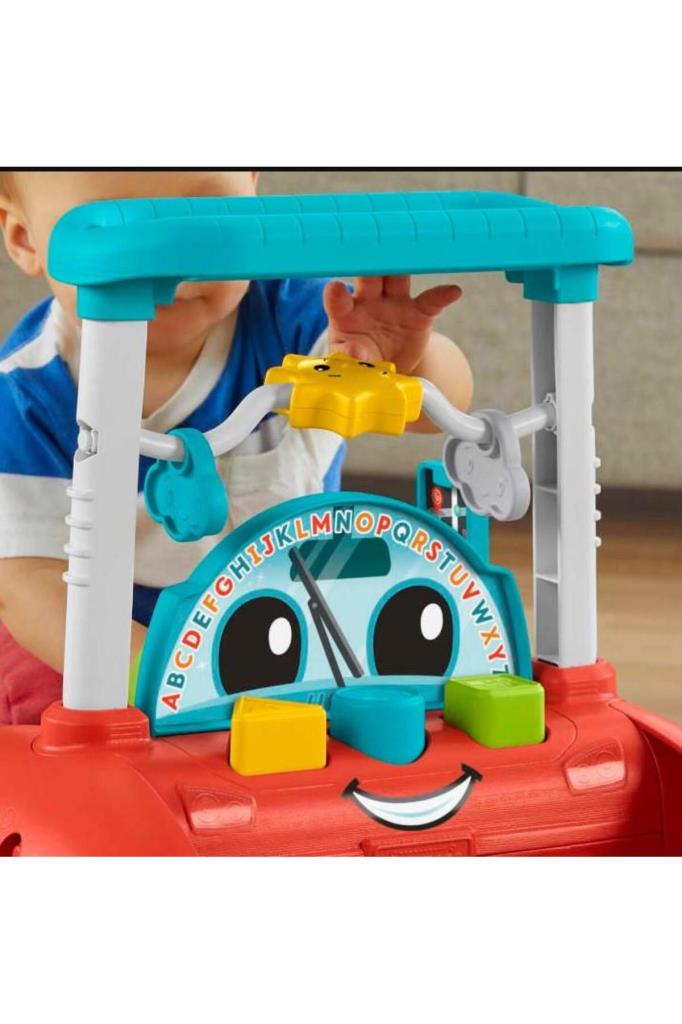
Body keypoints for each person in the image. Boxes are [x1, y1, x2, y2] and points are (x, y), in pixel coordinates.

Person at [0, 170, 473, 723]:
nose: (171, 262)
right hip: (102, 639)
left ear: (251, 186)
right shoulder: (26, 394)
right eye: (116, 226)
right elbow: (26, 582)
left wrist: (404, 363)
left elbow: (442, 411)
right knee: (46, 708)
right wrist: (164, 679)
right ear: (26, 238)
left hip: (295, 623)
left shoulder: (304, 317)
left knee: (396, 681)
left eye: (204, 216)